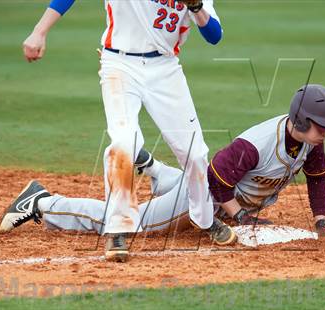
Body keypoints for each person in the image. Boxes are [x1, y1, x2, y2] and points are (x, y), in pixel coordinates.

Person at [0, 84, 325, 248]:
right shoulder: (254, 146)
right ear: (300, 120)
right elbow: (214, 180)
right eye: (321, 126)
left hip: (215, 193)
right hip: (209, 195)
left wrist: (321, 218)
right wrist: (240, 216)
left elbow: (317, 177)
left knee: (185, 187)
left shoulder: (310, 142)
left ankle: (149, 166)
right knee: (132, 222)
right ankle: (43, 202)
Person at [21, 0, 235, 262]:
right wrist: (39, 31)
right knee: (124, 143)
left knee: (194, 153)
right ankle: (117, 228)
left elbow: (214, 35)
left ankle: (203, 220)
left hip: (165, 69)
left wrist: (196, 7)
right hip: (119, 65)